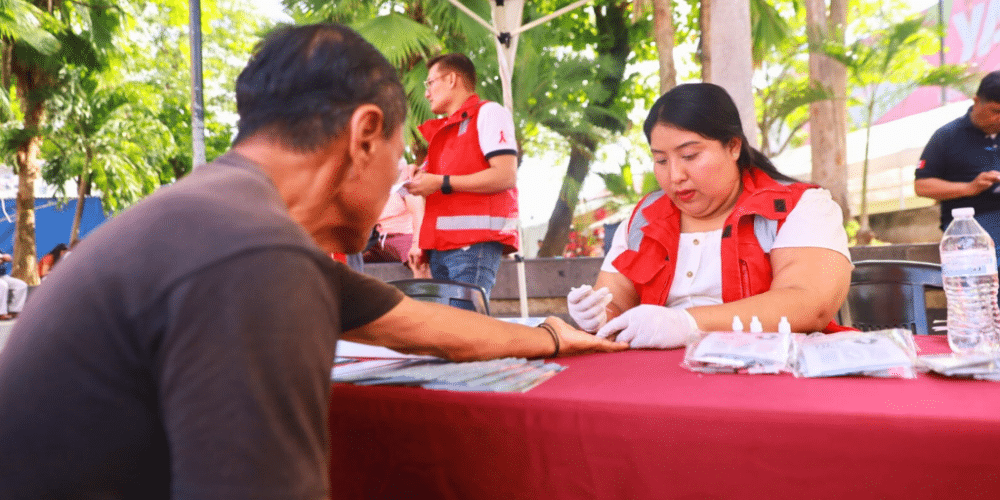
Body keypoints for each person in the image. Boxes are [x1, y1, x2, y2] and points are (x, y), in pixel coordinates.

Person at [0, 23, 626, 499]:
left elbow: (417, 325)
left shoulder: (224, 215)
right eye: (400, 157)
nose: (399, 182)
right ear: (363, 135)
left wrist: (548, 337)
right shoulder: (256, 256)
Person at [567, 83, 853, 349]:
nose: (675, 175)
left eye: (690, 156)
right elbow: (614, 299)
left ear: (733, 146)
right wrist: (599, 315)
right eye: (661, 161)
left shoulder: (800, 206)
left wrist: (688, 323)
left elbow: (808, 304)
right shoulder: (643, 219)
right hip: (660, 379)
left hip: (776, 374)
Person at [405, 53, 519, 298]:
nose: (426, 93)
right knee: (452, 332)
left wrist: (440, 181)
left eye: (430, 83)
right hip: (440, 248)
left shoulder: (489, 113)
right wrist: (417, 177)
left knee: (467, 330)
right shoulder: (445, 132)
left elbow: (506, 175)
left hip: (474, 246)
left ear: (452, 79)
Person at [914, 70, 1000, 263]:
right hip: (970, 221)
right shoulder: (946, 136)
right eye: (996, 111)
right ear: (977, 101)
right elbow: (922, 186)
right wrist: (970, 188)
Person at [363, 159, 431, 278]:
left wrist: (417, 244)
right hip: (375, 241)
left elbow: (417, 212)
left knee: (417, 261)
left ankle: (424, 291)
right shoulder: (366, 188)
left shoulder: (403, 183)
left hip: (402, 236)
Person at [0, 253, 27, 320]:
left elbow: (5, 256)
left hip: (2, 275)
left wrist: (6, 258)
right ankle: (1, 313)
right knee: (3, 285)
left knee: (21, 285)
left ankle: (13, 311)